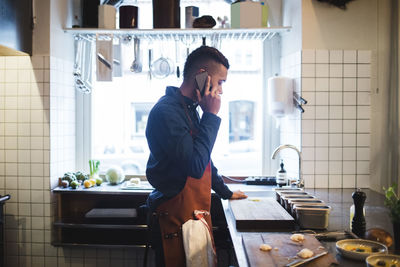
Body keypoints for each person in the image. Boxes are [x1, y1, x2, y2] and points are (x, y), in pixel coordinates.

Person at [145, 45, 247, 267]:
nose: (220, 90)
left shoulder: (189, 108)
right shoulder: (167, 112)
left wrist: (224, 191)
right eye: (220, 82)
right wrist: (210, 115)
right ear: (202, 75)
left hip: (191, 214)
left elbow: (204, 155)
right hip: (172, 217)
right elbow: (195, 165)